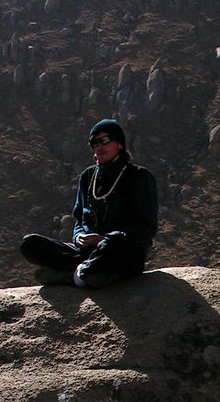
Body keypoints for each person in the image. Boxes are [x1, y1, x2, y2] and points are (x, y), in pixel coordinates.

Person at [21, 119, 158, 288]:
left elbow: (147, 227)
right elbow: (79, 219)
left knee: (114, 241)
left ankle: (75, 276)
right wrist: (79, 237)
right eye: (94, 143)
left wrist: (103, 239)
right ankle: (89, 273)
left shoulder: (139, 177)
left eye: (104, 140)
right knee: (30, 244)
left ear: (120, 144)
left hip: (120, 252)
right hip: (87, 252)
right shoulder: (88, 177)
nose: (99, 147)